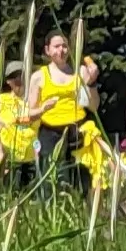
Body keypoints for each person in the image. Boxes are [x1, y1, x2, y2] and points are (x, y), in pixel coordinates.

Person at [30, 33, 98, 192]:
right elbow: (30, 113)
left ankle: (83, 204)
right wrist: (43, 108)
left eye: (64, 46)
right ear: (47, 50)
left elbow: (93, 106)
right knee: (51, 179)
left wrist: (91, 82)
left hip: (78, 130)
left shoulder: (81, 71)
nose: (61, 50)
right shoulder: (39, 76)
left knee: (80, 179)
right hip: (50, 132)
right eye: (56, 46)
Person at [0, 65, 38, 174]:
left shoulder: (37, 100)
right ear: (8, 81)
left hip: (33, 159)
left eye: (23, 75)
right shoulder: (0, 100)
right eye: (15, 77)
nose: (19, 79)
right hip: (7, 160)